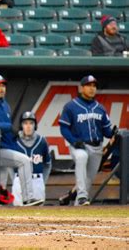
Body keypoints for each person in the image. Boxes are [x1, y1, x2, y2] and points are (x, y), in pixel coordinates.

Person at [0, 75, 44, 206]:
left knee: (0, 186)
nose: (2, 89)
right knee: (24, 161)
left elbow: (7, 132)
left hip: (3, 149)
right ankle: (28, 198)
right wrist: (8, 127)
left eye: (3, 86)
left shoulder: (5, 105)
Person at [59, 75, 114, 206]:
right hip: (80, 146)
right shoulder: (71, 106)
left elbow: (107, 132)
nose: (92, 88)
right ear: (81, 88)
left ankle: (78, 204)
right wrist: (73, 141)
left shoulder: (100, 108)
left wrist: (113, 133)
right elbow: (64, 128)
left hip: (97, 147)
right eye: (89, 85)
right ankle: (82, 196)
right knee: (82, 157)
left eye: (94, 86)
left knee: (88, 179)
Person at [12, 112, 52, 206]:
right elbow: (9, 166)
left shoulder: (42, 141)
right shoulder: (15, 142)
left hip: (37, 181)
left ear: (35, 125)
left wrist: (42, 180)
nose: (28, 126)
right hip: (19, 182)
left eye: (31, 123)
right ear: (21, 125)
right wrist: (15, 179)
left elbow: (47, 164)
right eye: (25, 123)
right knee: (18, 215)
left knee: (38, 215)